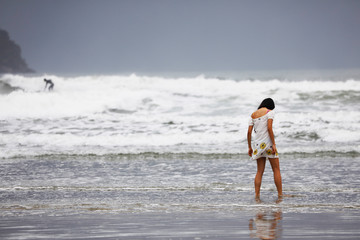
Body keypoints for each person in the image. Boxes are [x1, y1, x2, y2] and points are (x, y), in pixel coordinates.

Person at [247, 98, 282, 200]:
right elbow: (269, 128)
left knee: (259, 171)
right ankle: (280, 194)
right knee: (276, 169)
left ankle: (257, 195)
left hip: (258, 146)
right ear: (270, 106)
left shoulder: (253, 115)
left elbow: (249, 132)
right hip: (268, 144)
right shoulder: (270, 112)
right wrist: (274, 144)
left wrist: (249, 147)